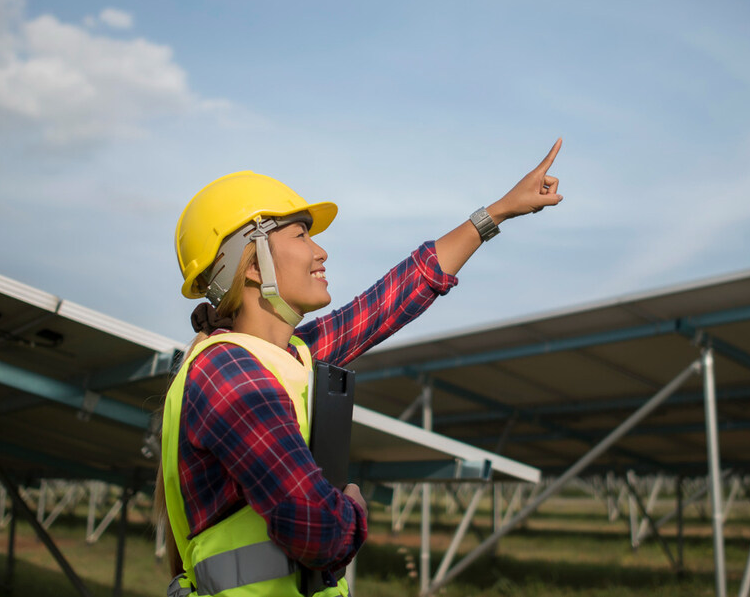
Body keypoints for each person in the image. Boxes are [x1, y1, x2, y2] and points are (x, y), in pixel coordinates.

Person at [159, 139, 563, 597]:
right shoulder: (229, 373)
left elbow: (392, 299)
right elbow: (317, 530)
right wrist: (351, 508)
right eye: (301, 235)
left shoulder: (290, 354)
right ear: (251, 265)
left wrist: (500, 211)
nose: (320, 252)